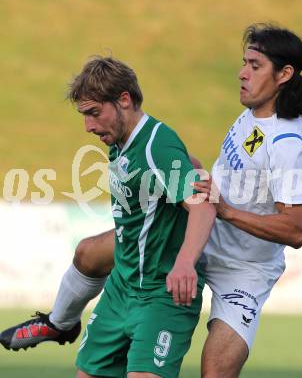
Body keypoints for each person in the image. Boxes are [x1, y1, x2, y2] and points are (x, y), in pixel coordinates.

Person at [1, 23, 302, 377]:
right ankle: (59, 323)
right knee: (88, 252)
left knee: (216, 373)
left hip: (243, 271)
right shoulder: (256, 115)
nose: (242, 73)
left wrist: (229, 211)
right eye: (244, 62)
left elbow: (294, 230)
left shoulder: (286, 143)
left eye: (255, 66)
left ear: (284, 74)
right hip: (202, 234)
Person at [2, 55, 217, 378]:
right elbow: (181, 164)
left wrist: (185, 262)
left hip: (162, 295)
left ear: (124, 100)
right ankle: (57, 323)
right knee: (87, 253)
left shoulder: (154, 146)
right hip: (121, 289)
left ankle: (58, 323)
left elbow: (201, 207)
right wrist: (192, 169)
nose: (88, 126)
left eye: (94, 113)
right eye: (84, 115)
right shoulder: (120, 140)